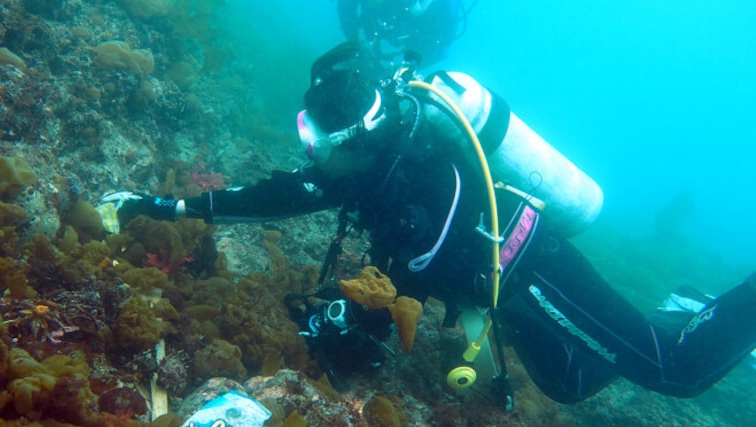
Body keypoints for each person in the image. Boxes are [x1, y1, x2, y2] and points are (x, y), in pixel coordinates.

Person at [100, 42, 756, 405]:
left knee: (676, 371)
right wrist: (165, 207)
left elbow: (413, 273)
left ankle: (707, 316)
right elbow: (278, 196)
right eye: (306, 132)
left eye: (317, 138)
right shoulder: (361, 163)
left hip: (529, 264)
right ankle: (679, 309)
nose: (309, 151)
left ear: (357, 136)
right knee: (570, 385)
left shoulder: (425, 181)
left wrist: (355, 318)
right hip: (494, 291)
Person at [337, 0, 469, 67]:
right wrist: (355, 47)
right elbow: (346, 10)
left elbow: (440, 50)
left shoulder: (444, 8)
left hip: (421, 29)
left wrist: (401, 73)